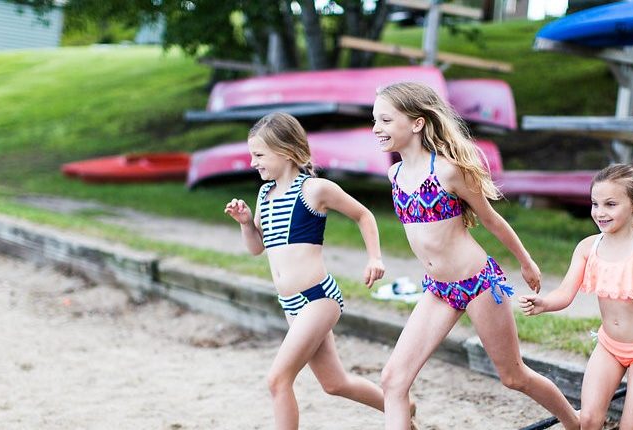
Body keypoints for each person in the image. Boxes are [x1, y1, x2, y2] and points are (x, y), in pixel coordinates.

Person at [372, 82, 581, 430]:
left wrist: (525, 261)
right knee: (393, 380)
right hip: (438, 288)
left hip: (478, 284)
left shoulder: (448, 171)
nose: (377, 128)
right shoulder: (394, 174)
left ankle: (576, 423)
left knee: (513, 376)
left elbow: (490, 219)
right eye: (375, 119)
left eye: (386, 120)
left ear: (417, 123)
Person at [224, 112, 395, 429]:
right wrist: (247, 223)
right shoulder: (265, 194)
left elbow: (364, 215)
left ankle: (400, 410)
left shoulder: (314, 190)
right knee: (335, 383)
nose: (252, 163)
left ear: (286, 151)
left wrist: (375, 258)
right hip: (291, 305)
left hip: (318, 299)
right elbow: (256, 248)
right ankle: (400, 407)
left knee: (277, 379)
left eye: (259, 155)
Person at [519, 163, 633, 430]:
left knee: (630, 427)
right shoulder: (588, 247)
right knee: (588, 420)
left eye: (610, 204)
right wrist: (545, 303)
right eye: (595, 204)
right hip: (609, 346)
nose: (600, 212)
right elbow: (565, 293)